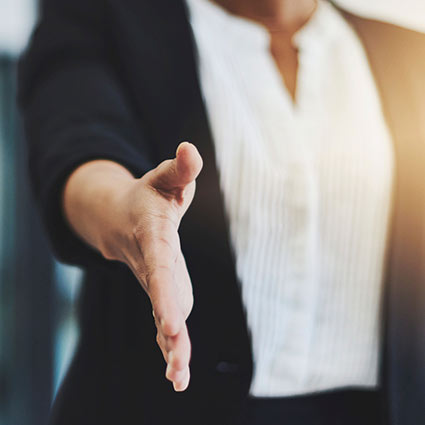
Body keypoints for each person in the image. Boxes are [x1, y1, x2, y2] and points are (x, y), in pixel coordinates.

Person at [17, 0, 425, 424]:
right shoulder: (102, 20)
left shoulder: (411, 56)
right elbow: (79, 146)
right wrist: (128, 211)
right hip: (161, 408)